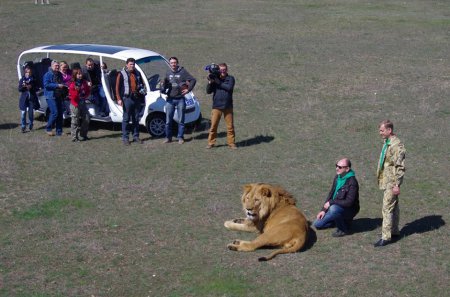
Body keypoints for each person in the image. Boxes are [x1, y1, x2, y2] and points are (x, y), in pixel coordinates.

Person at [374, 120, 406, 247]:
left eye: (382, 130)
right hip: (387, 180)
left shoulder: (396, 146)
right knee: (394, 206)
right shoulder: (387, 142)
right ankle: (394, 230)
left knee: (387, 208)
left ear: (389, 130)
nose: (380, 133)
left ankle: (386, 237)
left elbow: (400, 167)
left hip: (392, 182)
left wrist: (397, 184)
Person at [313, 158, 360, 237]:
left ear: (347, 169)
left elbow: (349, 202)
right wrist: (323, 210)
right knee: (318, 224)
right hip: (336, 207)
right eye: (336, 166)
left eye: (340, 167)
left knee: (334, 208)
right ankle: (340, 220)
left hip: (349, 209)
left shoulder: (352, 182)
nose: (337, 168)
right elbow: (331, 194)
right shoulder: (337, 178)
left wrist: (331, 202)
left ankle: (343, 230)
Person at [161, 56, 196, 144]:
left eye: (175, 62)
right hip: (170, 100)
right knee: (168, 121)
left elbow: (193, 80)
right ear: (169, 64)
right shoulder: (167, 72)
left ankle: (180, 137)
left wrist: (188, 89)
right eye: (171, 63)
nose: (173, 64)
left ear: (177, 63)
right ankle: (168, 138)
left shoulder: (183, 71)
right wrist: (163, 87)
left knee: (181, 120)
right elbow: (164, 83)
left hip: (180, 99)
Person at [115, 58, 146, 145]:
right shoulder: (121, 74)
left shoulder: (137, 73)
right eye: (130, 64)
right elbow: (117, 87)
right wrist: (119, 99)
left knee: (136, 119)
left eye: (133, 64)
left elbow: (141, 84)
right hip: (127, 98)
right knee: (126, 118)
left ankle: (136, 136)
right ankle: (125, 138)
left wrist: (142, 89)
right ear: (127, 65)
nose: (132, 66)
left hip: (136, 98)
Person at [205, 63, 237, 149]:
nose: (223, 71)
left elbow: (229, 88)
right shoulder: (215, 79)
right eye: (221, 70)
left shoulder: (230, 78)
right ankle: (211, 143)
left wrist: (217, 81)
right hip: (216, 106)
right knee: (213, 126)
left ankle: (231, 143)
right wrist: (210, 82)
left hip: (228, 106)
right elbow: (208, 91)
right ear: (219, 70)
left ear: (227, 70)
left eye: (224, 69)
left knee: (230, 127)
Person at [43, 60, 67, 136]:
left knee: (60, 113)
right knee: (54, 113)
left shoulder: (59, 74)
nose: (57, 67)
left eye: (58, 65)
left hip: (59, 95)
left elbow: (61, 82)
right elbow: (46, 85)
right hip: (50, 96)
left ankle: (59, 131)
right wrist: (57, 85)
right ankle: (48, 128)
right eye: (55, 66)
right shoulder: (47, 74)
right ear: (52, 66)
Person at [68, 68, 91, 142]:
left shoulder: (84, 82)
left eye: (80, 74)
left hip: (82, 102)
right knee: (75, 120)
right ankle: (74, 137)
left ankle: (83, 135)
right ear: (75, 75)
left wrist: (85, 95)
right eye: (78, 74)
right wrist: (77, 91)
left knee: (87, 118)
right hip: (75, 104)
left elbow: (87, 91)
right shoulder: (72, 84)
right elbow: (73, 96)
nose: (80, 75)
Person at [18, 66, 39, 132]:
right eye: (27, 72)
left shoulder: (34, 79)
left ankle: (30, 126)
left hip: (31, 99)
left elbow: (37, 88)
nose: (28, 73)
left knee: (30, 113)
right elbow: (19, 89)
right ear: (25, 72)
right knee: (23, 113)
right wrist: (24, 87)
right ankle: (23, 126)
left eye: (29, 72)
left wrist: (31, 87)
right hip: (24, 99)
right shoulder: (22, 79)